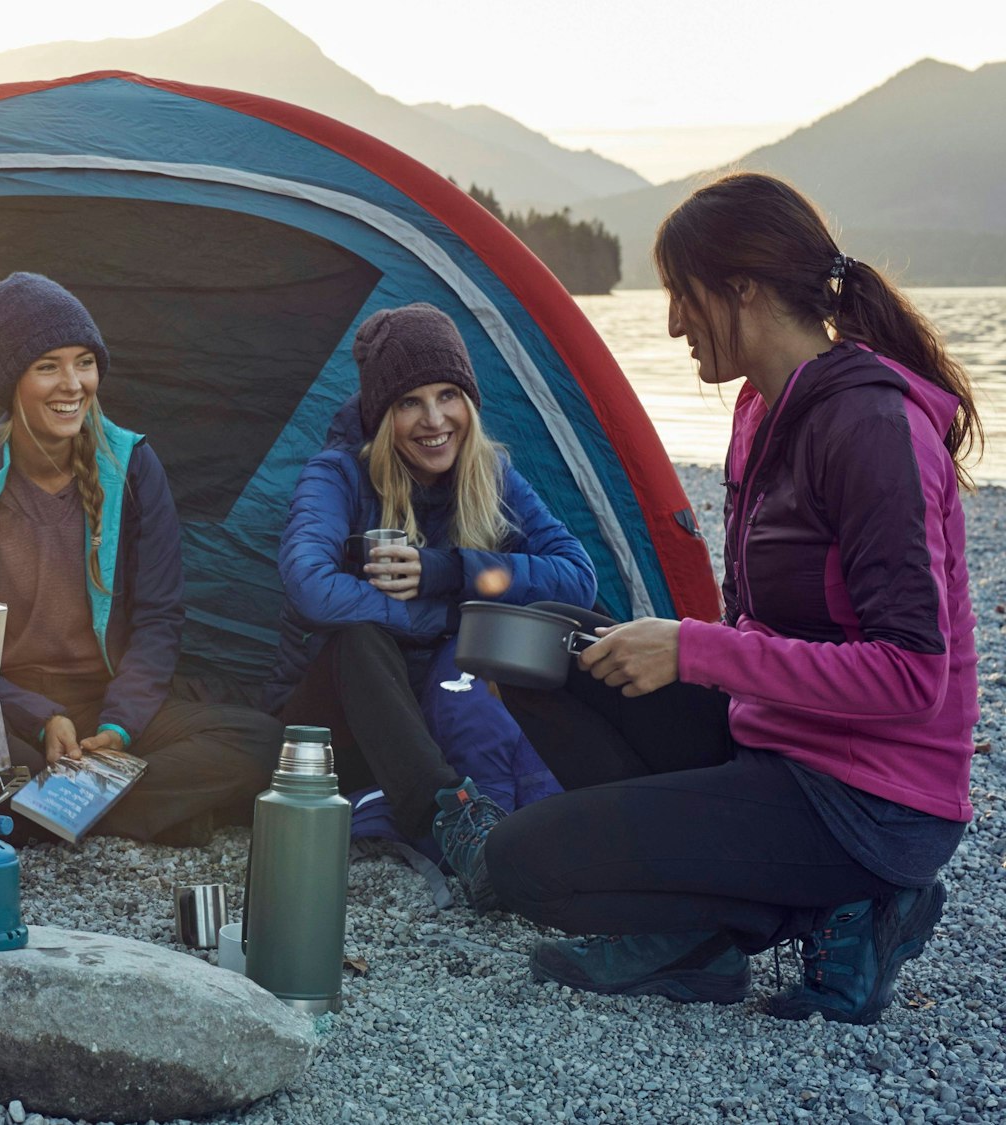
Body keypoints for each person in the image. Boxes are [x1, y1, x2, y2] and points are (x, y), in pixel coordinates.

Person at [483, 172, 978, 1025]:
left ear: (742, 287)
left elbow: (912, 675)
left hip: (871, 800)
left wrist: (694, 650)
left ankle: (844, 907)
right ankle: (706, 925)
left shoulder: (871, 430)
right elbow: (769, 621)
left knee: (520, 861)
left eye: (682, 294)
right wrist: (694, 652)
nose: (672, 322)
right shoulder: (759, 407)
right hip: (774, 737)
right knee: (533, 641)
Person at [0, 272, 281, 844]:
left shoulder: (135, 469)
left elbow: (159, 619)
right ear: (10, 381)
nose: (73, 384)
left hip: (106, 708)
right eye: (48, 365)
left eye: (84, 362)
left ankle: (25, 812)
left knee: (263, 742)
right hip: (3, 708)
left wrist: (120, 726)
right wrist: (39, 715)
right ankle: (129, 809)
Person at [265, 302, 595, 906]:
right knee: (360, 638)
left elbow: (577, 576)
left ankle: (554, 813)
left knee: (556, 629)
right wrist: (444, 615)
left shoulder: (489, 473)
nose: (434, 419)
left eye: (448, 394)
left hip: (439, 712)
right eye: (409, 402)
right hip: (335, 720)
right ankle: (453, 821)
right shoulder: (338, 475)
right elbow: (308, 586)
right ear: (380, 412)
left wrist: (454, 571)